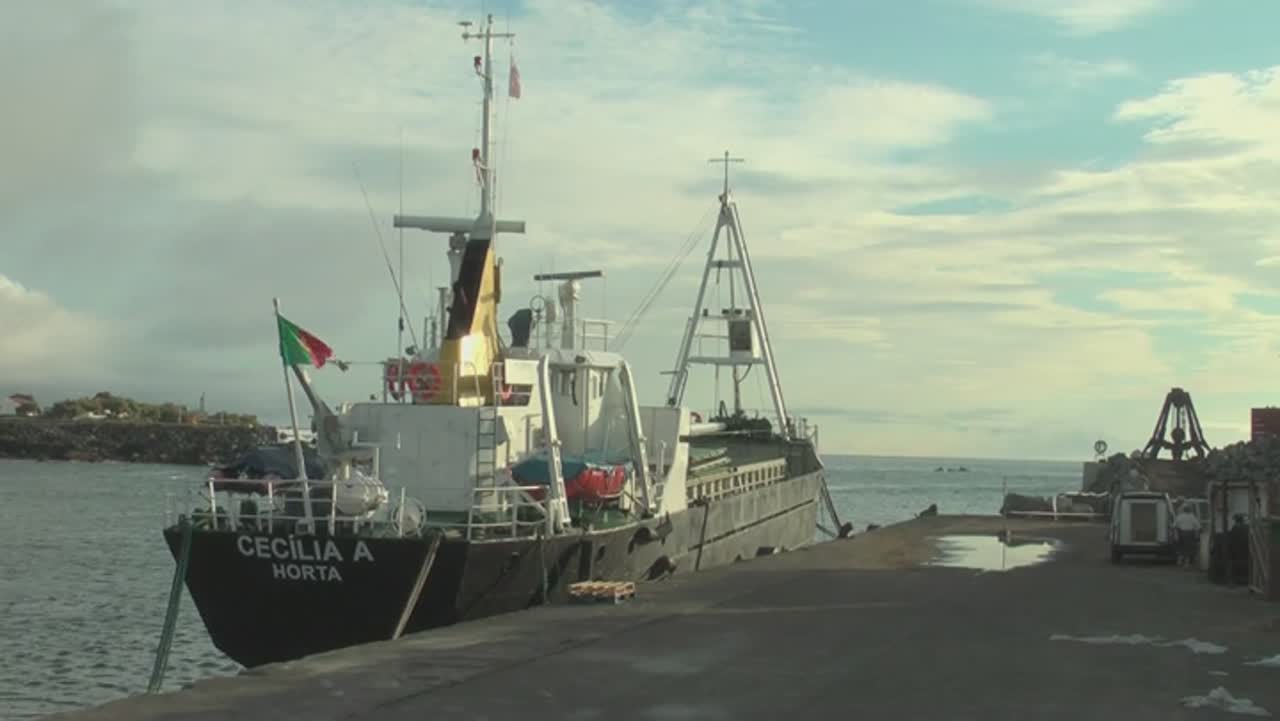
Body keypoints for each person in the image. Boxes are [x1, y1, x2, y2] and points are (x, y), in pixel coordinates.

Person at [1173, 503, 1201, 568]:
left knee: (1181, 549)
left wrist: (1176, 535)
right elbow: (1198, 527)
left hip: (1181, 534)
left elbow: (1174, 526)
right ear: (1190, 510)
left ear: (1183, 510)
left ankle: (1179, 561)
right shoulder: (1192, 517)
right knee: (1188, 550)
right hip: (1190, 535)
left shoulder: (1179, 516)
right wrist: (1197, 535)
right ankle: (1186, 564)